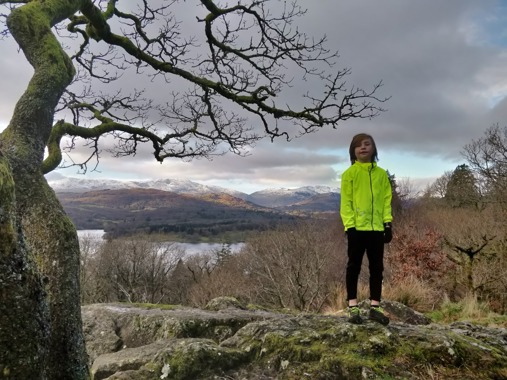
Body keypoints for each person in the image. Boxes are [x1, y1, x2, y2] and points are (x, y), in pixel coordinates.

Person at [340, 133, 393, 325]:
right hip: (356, 229)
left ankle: (374, 307)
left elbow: (386, 200)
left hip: (377, 229)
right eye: (358, 145)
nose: (363, 148)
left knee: (377, 268)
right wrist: (350, 226)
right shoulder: (349, 174)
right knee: (353, 266)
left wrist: (388, 224)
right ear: (353, 151)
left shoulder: (381, 175)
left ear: (373, 149)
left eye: (367, 144)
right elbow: (346, 203)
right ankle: (352, 307)